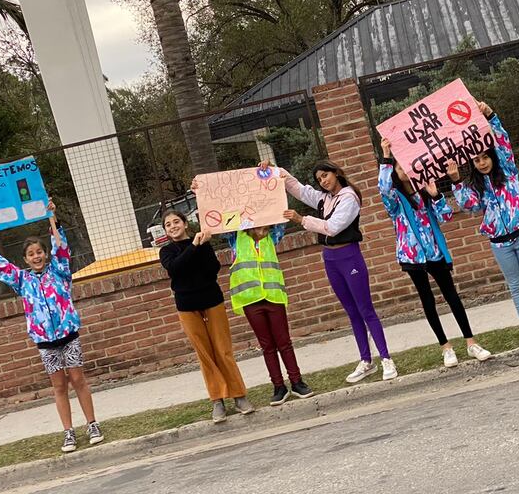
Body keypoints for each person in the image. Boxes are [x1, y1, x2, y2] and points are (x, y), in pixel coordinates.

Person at [0, 205, 104, 452]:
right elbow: (0, 264)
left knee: (77, 379)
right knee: (59, 386)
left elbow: (60, 245)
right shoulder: (22, 280)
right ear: (26, 259)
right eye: (31, 254)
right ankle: (68, 431)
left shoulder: (59, 271)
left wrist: (53, 216)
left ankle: (92, 424)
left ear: (46, 254)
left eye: (40, 252)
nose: (37, 256)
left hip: (68, 336)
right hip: (45, 342)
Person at [448, 101, 519, 346]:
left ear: (492, 156)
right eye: (477, 160)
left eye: (485, 157)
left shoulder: (508, 171)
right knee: (515, 284)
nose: (482, 163)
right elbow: (470, 206)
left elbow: (502, 142)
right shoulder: (474, 187)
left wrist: (491, 116)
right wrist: (456, 182)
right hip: (499, 243)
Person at [274, 159, 398, 383]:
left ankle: (386, 358)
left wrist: (302, 220)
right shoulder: (325, 199)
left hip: (349, 256)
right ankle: (366, 360)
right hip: (330, 258)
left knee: (365, 309)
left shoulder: (349, 197)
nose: (323, 181)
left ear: (336, 172)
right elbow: (299, 190)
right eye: (319, 179)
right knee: (351, 312)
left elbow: (333, 227)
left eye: (325, 175)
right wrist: (274, 171)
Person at [378, 138, 492, 365]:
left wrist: (436, 196)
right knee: (427, 300)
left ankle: (471, 343)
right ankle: (446, 347)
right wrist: (386, 158)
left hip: (435, 253)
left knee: (452, 296)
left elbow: (447, 216)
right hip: (413, 257)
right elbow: (383, 187)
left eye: (407, 167)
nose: (405, 172)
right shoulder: (395, 201)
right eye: (400, 168)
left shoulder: (425, 193)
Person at [159, 208, 254, 423]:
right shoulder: (166, 251)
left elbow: (212, 270)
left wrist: (202, 245)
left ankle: (239, 395)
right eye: (168, 224)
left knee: (223, 350)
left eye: (176, 222)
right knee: (205, 354)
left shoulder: (202, 242)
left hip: (212, 300)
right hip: (187, 306)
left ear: (185, 223)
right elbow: (176, 269)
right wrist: (194, 246)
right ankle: (217, 400)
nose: (173, 226)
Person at [224, 218, 314, 406]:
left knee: (284, 342)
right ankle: (278, 386)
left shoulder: (273, 236)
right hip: (251, 299)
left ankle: (297, 382)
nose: (262, 226)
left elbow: (280, 216)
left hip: (273, 296)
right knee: (267, 345)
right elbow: (223, 219)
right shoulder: (236, 238)